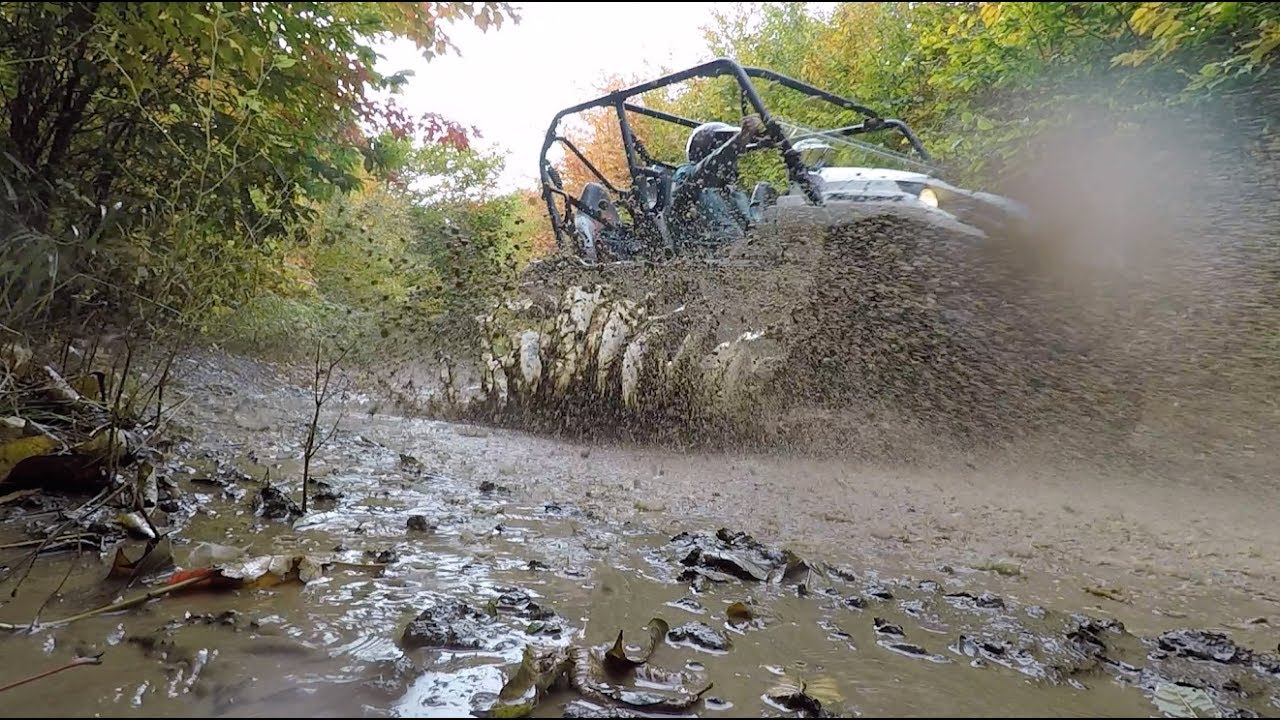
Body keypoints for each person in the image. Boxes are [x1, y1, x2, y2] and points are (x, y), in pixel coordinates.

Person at [668, 114, 767, 250]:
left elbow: (754, 228)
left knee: (765, 189)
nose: (734, 163)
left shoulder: (731, 193)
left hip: (743, 261)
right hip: (703, 261)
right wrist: (738, 140)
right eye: (731, 158)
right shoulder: (686, 175)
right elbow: (704, 170)